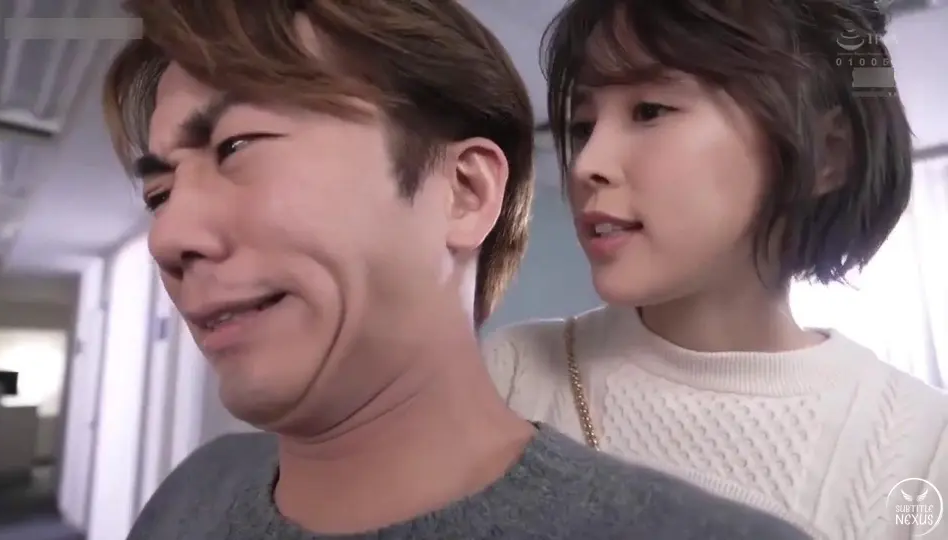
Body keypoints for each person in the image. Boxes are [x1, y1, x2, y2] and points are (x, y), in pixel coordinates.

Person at [102, 1, 810, 539]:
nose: (169, 237)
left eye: (236, 147)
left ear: (464, 192)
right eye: (159, 194)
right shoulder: (189, 498)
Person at [484, 0, 948, 538]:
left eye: (650, 110)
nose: (587, 164)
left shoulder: (923, 446)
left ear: (827, 155)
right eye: (583, 126)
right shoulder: (512, 374)